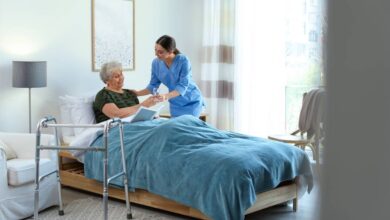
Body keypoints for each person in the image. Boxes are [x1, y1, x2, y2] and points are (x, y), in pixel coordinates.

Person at [135, 35, 204, 117]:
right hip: (175, 103)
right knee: (175, 128)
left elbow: (182, 86)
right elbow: (153, 86)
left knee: (188, 127)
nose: (156, 54)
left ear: (171, 51)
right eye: (155, 50)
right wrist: (136, 93)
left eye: (160, 52)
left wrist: (165, 96)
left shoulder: (183, 60)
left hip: (191, 101)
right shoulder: (156, 63)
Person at [93, 61, 157, 123]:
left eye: (121, 74)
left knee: (164, 124)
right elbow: (116, 115)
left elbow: (137, 114)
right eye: (116, 76)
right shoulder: (103, 95)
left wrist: (150, 116)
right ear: (107, 81)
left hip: (137, 125)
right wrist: (144, 105)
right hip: (117, 129)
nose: (121, 78)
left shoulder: (129, 93)